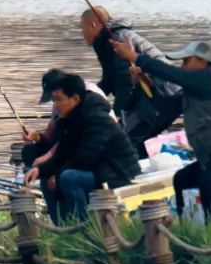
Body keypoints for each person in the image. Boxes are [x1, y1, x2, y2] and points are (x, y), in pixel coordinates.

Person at [111, 39, 211, 225]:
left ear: (202, 61)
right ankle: (186, 226)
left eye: (186, 61)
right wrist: (145, 82)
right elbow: (163, 108)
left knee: (210, 182)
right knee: (181, 179)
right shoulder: (192, 93)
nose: (183, 66)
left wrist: (135, 57)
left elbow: (172, 74)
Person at [23, 73, 139, 223]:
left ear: (75, 99)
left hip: (116, 170)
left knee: (68, 178)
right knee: (46, 179)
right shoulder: (72, 116)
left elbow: (86, 157)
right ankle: (63, 228)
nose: (55, 105)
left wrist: (57, 175)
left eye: (59, 100)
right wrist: (41, 170)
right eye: (54, 100)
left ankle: (83, 228)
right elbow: (63, 151)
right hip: (97, 169)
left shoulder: (96, 116)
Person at [81, 7, 181, 159]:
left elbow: (125, 84)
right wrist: (85, 97)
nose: (82, 33)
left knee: (127, 138)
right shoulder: (106, 40)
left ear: (93, 25)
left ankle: (136, 171)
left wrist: (117, 115)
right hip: (154, 94)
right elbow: (109, 81)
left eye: (83, 27)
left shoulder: (117, 39)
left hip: (162, 93)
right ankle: (148, 161)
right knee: (132, 135)